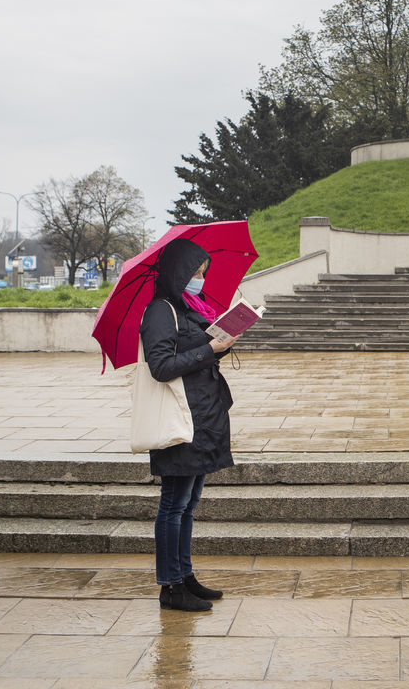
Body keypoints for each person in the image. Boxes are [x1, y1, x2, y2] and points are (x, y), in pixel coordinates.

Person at [140, 239, 237, 612]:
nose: (200, 280)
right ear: (178, 274)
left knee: (189, 503)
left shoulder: (189, 307)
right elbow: (161, 365)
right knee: (174, 504)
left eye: (203, 273)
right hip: (179, 418)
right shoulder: (161, 311)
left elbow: (194, 350)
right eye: (196, 273)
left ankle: (185, 575)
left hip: (202, 416)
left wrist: (222, 343)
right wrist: (208, 350)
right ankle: (170, 586)